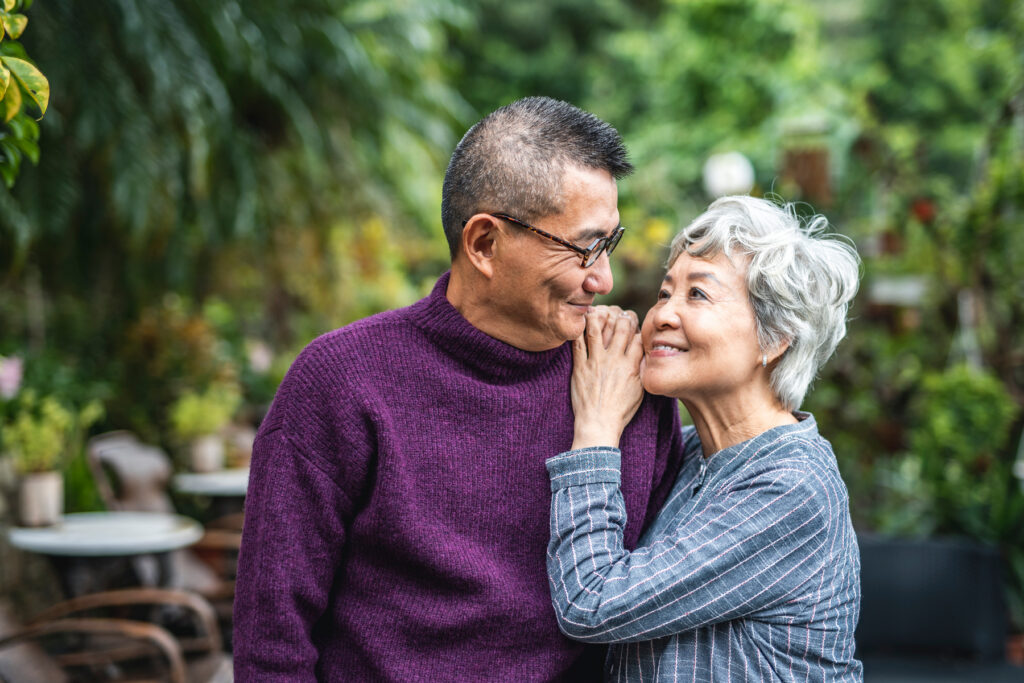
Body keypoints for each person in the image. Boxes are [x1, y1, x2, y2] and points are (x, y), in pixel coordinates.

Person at [233, 96, 685, 680]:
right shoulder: (342, 381)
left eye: (610, 244)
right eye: (584, 248)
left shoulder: (624, 381)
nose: (605, 278)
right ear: (485, 245)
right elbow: (273, 644)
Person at [546, 195, 863, 681]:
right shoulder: (694, 453)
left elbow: (592, 601)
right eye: (664, 292)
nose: (663, 316)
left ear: (775, 338)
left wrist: (595, 429)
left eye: (697, 295)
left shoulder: (793, 487)